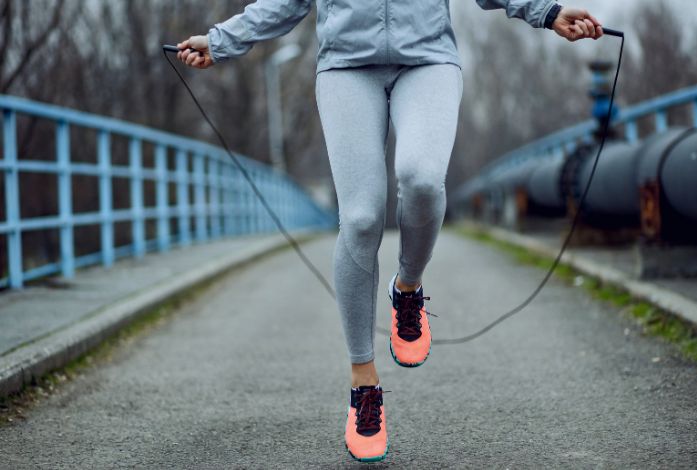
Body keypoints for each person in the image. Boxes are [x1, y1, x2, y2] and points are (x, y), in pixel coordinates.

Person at [177, 0, 603, 462]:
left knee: (421, 178)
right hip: (345, 68)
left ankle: (408, 287)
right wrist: (220, 41)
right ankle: (364, 384)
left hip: (427, 61)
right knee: (360, 218)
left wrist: (547, 10)